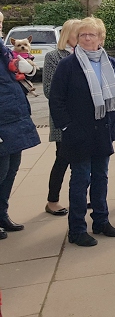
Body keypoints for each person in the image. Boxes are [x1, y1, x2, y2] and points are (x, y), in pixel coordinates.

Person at [49, 17, 115, 247]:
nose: (86, 38)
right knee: (80, 180)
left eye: (91, 34)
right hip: (77, 135)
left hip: (103, 132)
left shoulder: (111, 64)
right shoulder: (67, 66)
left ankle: (101, 221)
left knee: (101, 178)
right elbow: (56, 101)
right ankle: (77, 230)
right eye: (82, 34)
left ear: (101, 39)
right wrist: (67, 128)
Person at [0, 29, 41, 240]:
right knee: (2, 170)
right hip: (3, 122)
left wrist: (28, 69)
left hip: (14, 118)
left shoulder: (6, 52)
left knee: (11, 169)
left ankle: (2, 214)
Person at [43, 19, 81, 216]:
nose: (84, 37)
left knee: (83, 163)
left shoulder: (88, 55)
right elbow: (49, 90)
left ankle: (80, 197)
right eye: (80, 34)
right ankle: (52, 200)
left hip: (85, 121)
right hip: (64, 121)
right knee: (63, 160)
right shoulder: (54, 57)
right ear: (69, 35)